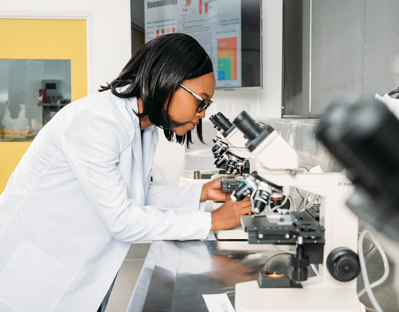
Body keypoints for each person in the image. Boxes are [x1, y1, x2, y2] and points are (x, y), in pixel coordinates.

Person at [0, 33, 252, 312]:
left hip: (76, 276)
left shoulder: (144, 129)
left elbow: (136, 194)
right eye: (201, 101)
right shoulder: (97, 121)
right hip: (34, 280)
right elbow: (122, 219)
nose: (202, 114)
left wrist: (200, 193)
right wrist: (212, 222)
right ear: (167, 80)